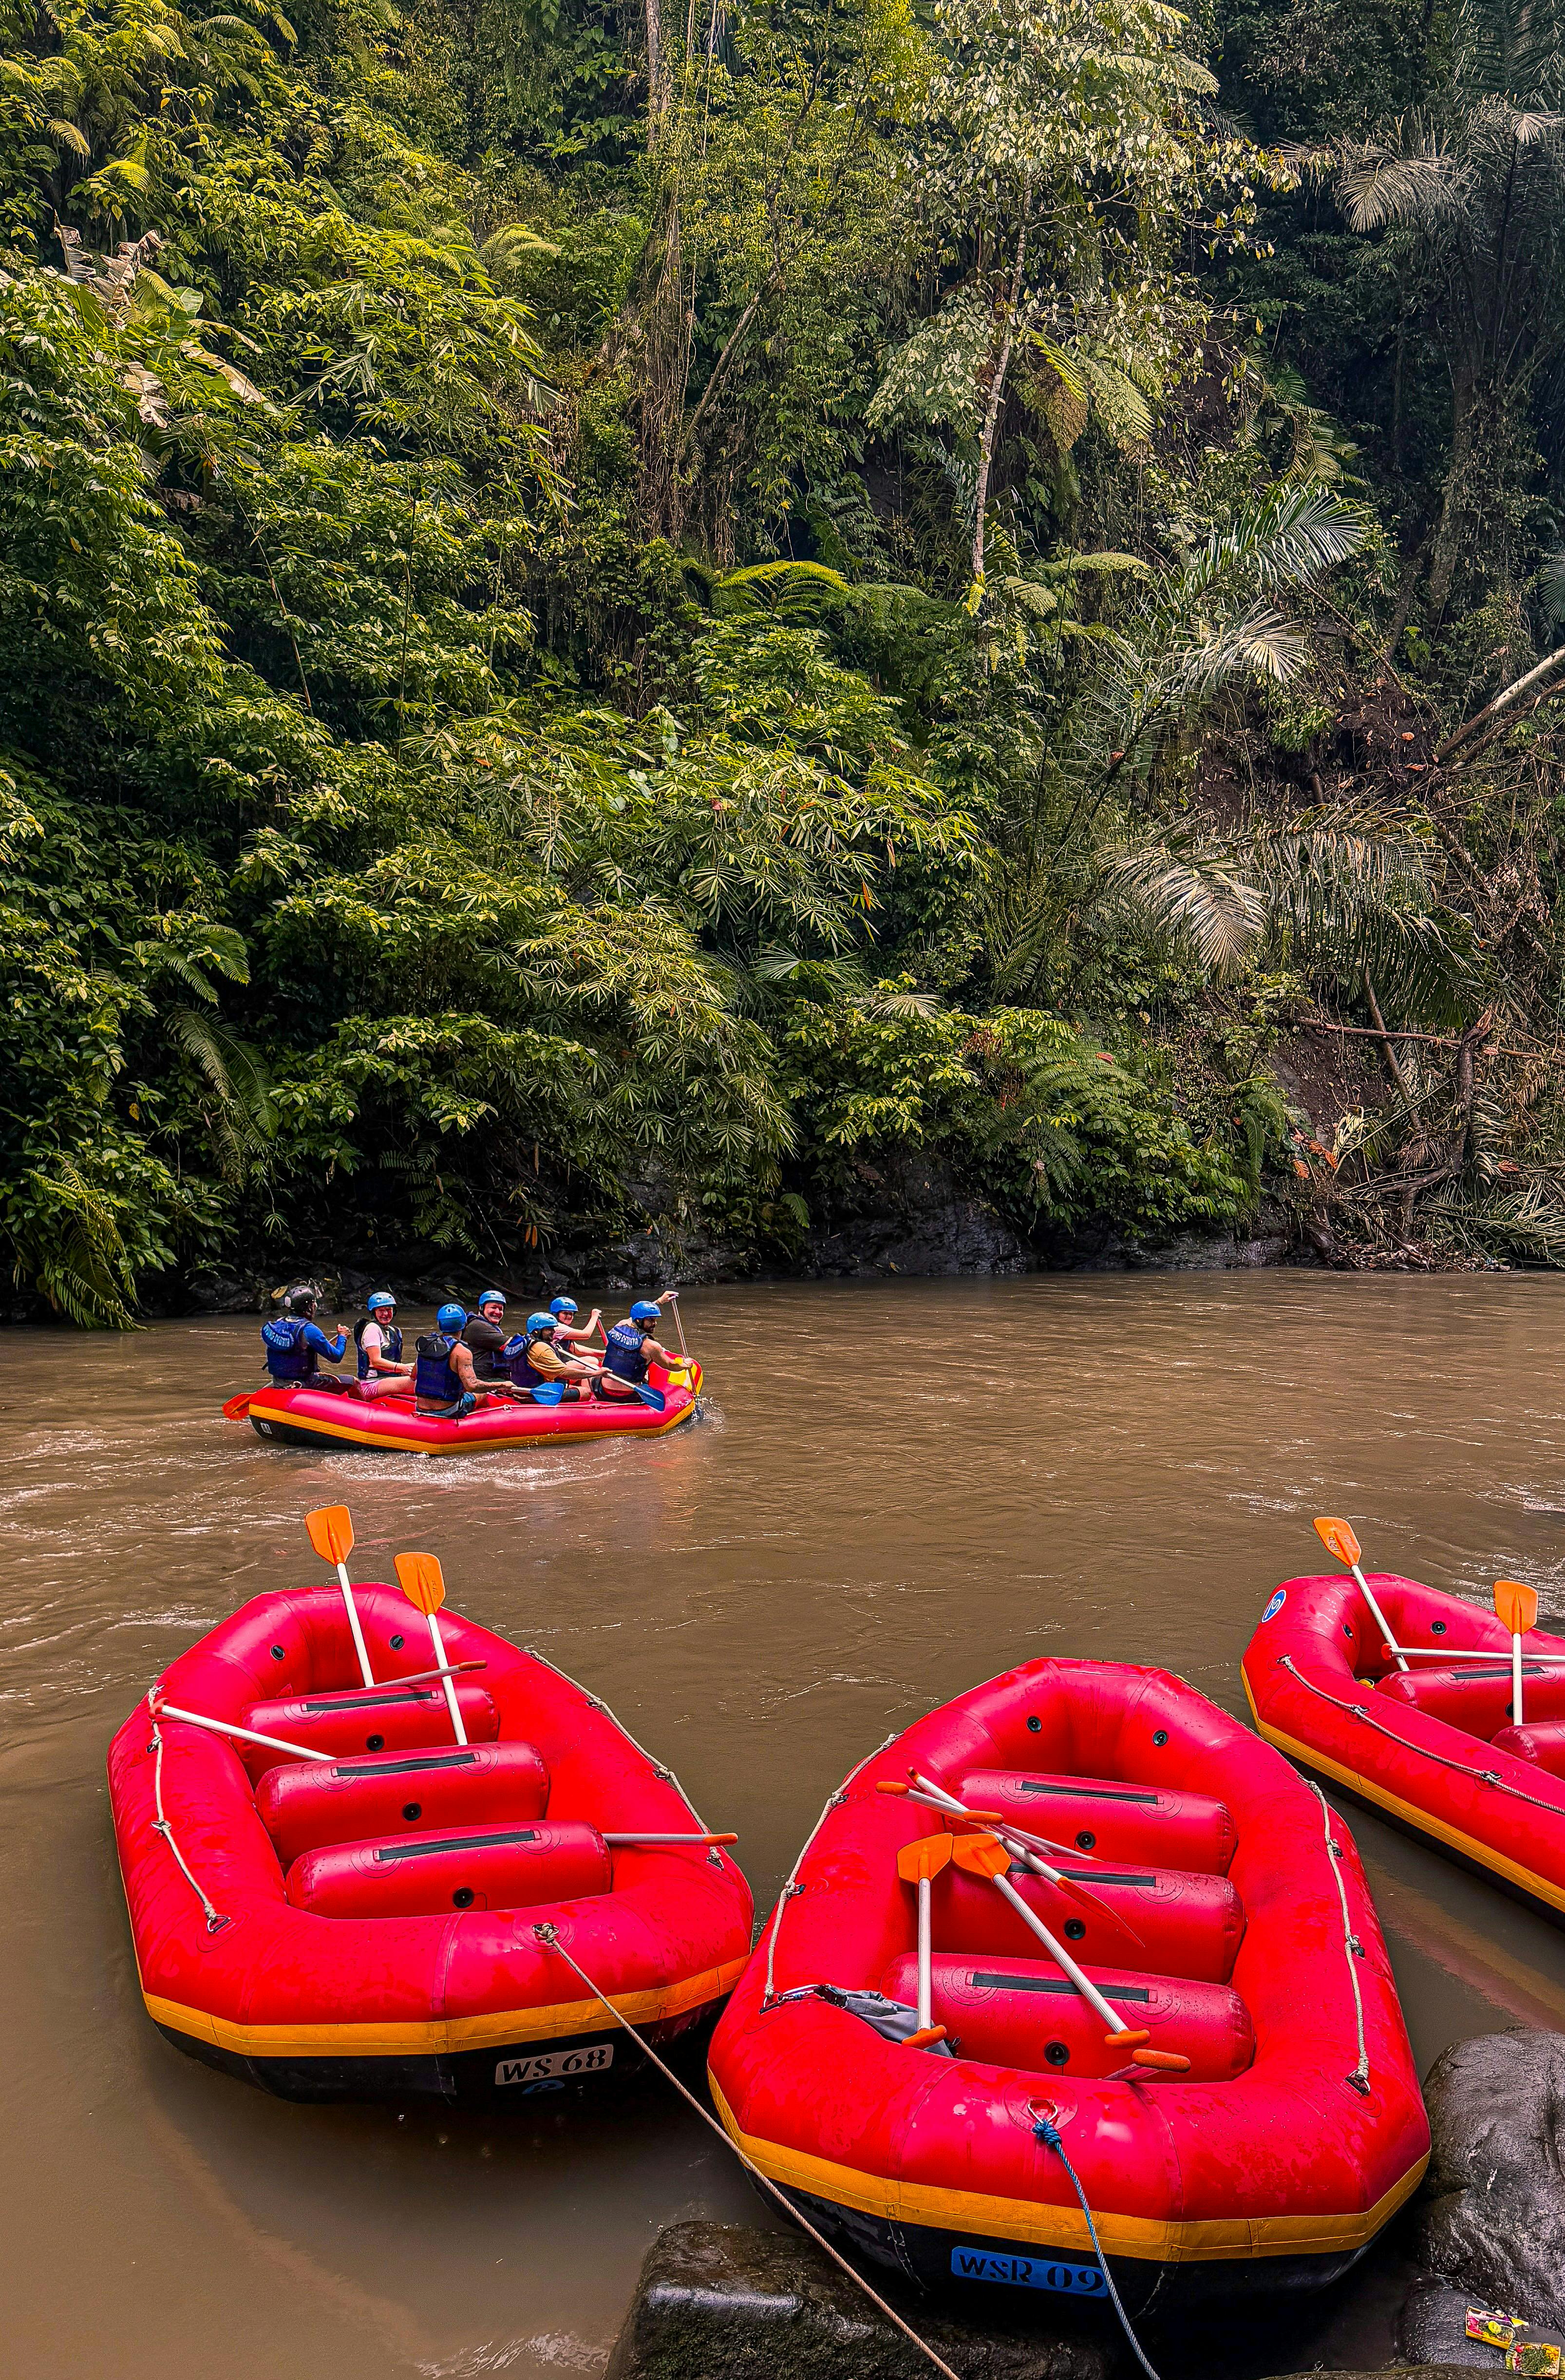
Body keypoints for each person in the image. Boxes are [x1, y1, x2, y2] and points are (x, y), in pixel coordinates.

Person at [593, 1293, 683, 1401]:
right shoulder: (652, 1346)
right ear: (640, 1321)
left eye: (654, 1320)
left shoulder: (620, 1325)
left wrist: (659, 1302)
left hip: (603, 1389)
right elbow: (670, 1365)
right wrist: (686, 1364)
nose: (655, 1323)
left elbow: (635, 1317)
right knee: (647, 1373)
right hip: (628, 1394)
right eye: (651, 1320)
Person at [261, 1288, 349, 1392]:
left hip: (278, 1381)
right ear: (309, 1307)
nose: (316, 1306)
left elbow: (296, 1350)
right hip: (306, 1382)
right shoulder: (309, 1329)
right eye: (314, 1303)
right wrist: (343, 1337)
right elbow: (336, 1357)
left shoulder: (279, 1323)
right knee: (352, 1381)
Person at [414, 1303, 487, 1418]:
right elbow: (472, 1387)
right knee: (482, 1393)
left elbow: (414, 1375)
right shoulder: (463, 1352)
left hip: (420, 1408)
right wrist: (499, 1385)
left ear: (439, 1324)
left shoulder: (426, 1345)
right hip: (449, 1411)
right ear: (465, 1324)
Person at [508, 1312, 599, 1401]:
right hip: (537, 1392)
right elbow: (564, 1373)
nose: (554, 1332)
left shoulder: (523, 1342)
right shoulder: (542, 1348)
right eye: (549, 1329)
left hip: (523, 1388)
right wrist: (596, 1373)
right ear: (537, 1331)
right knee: (586, 1392)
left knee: (574, 1383)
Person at [352, 1291, 414, 1400]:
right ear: (374, 1312)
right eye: (381, 1311)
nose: (386, 1314)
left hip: (389, 1379)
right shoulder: (372, 1328)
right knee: (421, 1383)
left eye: (389, 1310)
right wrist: (404, 1367)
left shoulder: (395, 1331)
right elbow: (375, 1361)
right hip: (371, 1384)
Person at [462, 1290, 513, 1387]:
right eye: (493, 1308)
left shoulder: (485, 1325)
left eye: (501, 1309)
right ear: (482, 1308)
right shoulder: (477, 1326)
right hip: (484, 1379)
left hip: (492, 1376)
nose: (498, 1312)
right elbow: (513, 1345)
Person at [547, 1296, 603, 1369]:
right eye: (565, 1313)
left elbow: (575, 1349)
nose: (569, 1316)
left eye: (571, 1314)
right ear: (556, 1314)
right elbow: (586, 1335)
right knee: (591, 1367)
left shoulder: (562, 1328)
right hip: (555, 1366)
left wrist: (601, 1353)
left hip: (560, 1362)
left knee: (593, 1360)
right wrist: (594, 1316)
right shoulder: (558, 1327)